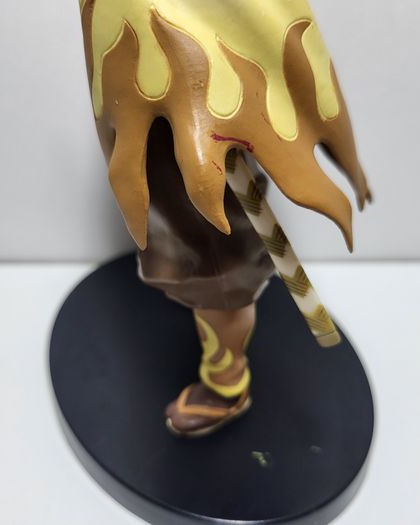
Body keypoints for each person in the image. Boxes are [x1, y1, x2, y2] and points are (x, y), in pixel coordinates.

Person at [79, 0, 371, 436]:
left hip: (200, 85)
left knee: (215, 260)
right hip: (143, 68)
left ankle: (226, 382)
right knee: (188, 224)